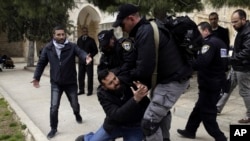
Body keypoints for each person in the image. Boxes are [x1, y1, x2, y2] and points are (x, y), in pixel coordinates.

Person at [113, 4, 193, 141]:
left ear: (131, 19)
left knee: (149, 123)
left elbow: (144, 68)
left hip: (171, 81)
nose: (122, 27)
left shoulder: (145, 32)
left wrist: (124, 78)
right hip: (170, 79)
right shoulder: (148, 27)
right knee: (160, 115)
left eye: (122, 24)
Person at [31, 25, 92, 139]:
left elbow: (80, 52)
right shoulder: (48, 48)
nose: (61, 37)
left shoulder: (72, 46)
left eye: (63, 34)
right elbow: (41, 63)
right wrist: (36, 77)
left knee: (74, 104)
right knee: (54, 107)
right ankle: (53, 128)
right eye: (58, 35)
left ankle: (77, 113)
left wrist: (85, 57)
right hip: (56, 83)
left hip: (70, 82)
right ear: (53, 35)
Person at [177, 22, 227, 141]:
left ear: (205, 31)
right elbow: (224, 62)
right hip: (217, 81)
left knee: (207, 113)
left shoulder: (209, 43)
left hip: (210, 83)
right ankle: (190, 130)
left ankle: (220, 137)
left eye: (198, 32)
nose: (197, 35)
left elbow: (201, 63)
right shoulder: (220, 42)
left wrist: (188, 60)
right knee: (198, 108)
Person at [75, 69, 150, 141]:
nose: (116, 82)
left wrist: (144, 91)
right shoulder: (102, 94)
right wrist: (135, 99)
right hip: (114, 125)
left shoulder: (127, 81)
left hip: (134, 126)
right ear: (104, 87)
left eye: (115, 78)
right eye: (110, 83)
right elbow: (117, 115)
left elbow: (147, 104)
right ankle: (87, 138)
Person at [208, 12, 231, 113]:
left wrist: (224, 63)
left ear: (218, 19)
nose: (213, 21)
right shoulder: (206, 31)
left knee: (220, 86)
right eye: (211, 19)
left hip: (219, 63)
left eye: (215, 19)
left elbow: (225, 47)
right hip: (208, 63)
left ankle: (216, 105)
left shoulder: (223, 31)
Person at [230, 9, 250, 123]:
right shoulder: (242, 29)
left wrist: (231, 59)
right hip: (237, 65)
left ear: (243, 19)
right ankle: (217, 107)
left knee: (245, 91)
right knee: (228, 87)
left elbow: (247, 52)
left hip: (244, 67)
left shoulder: (248, 31)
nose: (233, 24)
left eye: (235, 21)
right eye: (232, 22)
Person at [77, 27, 98, 96]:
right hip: (81, 61)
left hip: (89, 60)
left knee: (90, 76)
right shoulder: (79, 40)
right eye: (83, 31)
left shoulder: (91, 40)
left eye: (86, 31)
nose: (85, 32)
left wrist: (91, 55)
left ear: (87, 32)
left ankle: (90, 91)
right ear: (82, 32)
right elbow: (77, 49)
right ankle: (81, 90)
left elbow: (95, 50)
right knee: (80, 76)